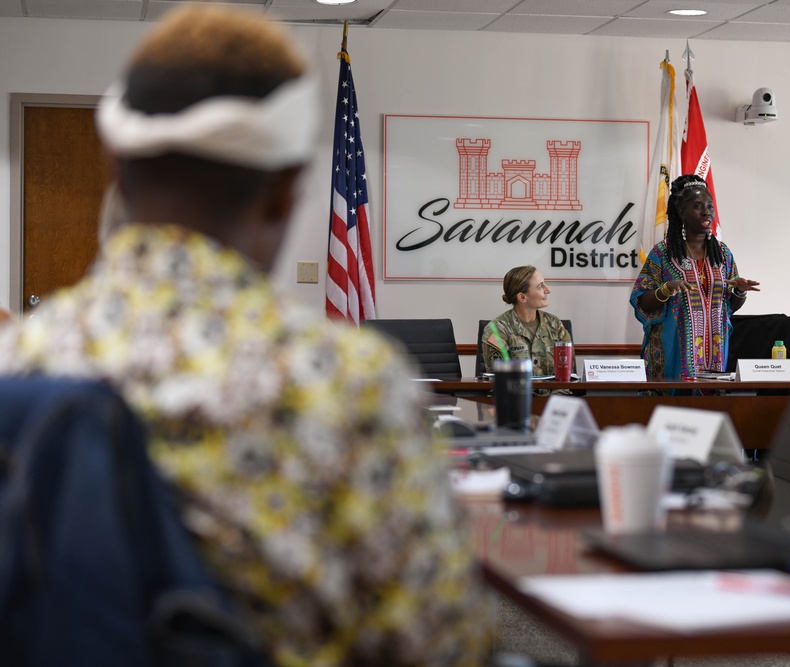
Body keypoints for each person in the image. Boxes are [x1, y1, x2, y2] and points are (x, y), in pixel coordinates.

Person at [0, 7, 489, 666]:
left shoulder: (16, 364)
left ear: (115, 171)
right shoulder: (348, 383)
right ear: (286, 192)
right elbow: (440, 645)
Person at [630, 174, 760, 380]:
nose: (706, 211)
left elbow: (730, 306)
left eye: (709, 205)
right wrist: (666, 289)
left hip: (715, 352)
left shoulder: (722, 253)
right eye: (698, 206)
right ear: (681, 212)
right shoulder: (663, 253)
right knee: (672, 409)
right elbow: (642, 301)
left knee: (709, 407)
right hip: (671, 352)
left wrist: (739, 291)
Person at [482, 265, 574, 377]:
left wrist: (556, 395)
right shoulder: (497, 330)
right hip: (516, 394)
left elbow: (568, 376)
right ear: (522, 297)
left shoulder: (554, 324)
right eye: (540, 286)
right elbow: (500, 380)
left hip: (554, 393)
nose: (548, 290)